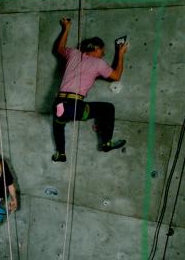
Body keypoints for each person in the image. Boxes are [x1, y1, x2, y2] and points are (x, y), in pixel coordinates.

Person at [52, 17, 128, 162]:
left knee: (58, 122)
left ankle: (61, 153)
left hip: (59, 103)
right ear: (96, 48)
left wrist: (66, 28)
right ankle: (106, 142)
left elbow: (60, 48)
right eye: (102, 51)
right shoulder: (99, 63)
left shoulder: (73, 54)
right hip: (76, 107)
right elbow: (116, 76)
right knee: (107, 108)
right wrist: (121, 54)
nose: (103, 54)